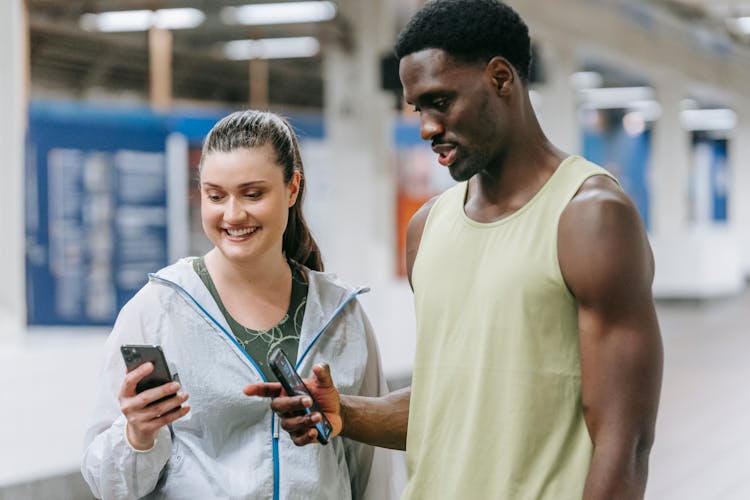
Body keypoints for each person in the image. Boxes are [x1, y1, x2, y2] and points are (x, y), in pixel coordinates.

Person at [245, 1, 664, 499]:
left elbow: (625, 443)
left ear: (501, 78)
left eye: (440, 102)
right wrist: (344, 411)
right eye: (417, 108)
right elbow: (450, 404)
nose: (425, 127)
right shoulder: (427, 228)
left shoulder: (589, 216)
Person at [81, 109, 403, 499]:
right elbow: (108, 486)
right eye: (215, 196)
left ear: (292, 188)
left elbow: (372, 476)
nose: (232, 214)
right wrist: (137, 435)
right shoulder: (160, 306)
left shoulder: (340, 314)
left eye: (253, 194)